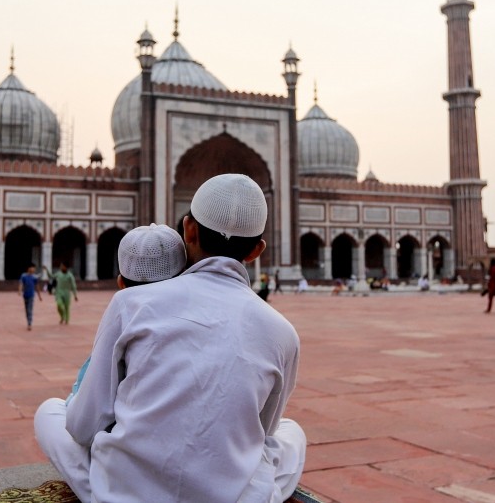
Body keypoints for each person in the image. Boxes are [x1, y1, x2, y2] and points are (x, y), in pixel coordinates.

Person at [34, 173, 305, 503]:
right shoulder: (282, 331)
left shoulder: (130, 303)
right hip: (231, 496)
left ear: (188, 230)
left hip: (124, 494)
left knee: (50, 412)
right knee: (291, 434)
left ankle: (102, 490)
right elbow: (263, 431)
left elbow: (82, 426)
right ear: (257, 250)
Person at [41, 224, 188, 440]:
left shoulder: (125, 307)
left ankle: (95, 473)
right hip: (206, 450)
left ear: (121, 283)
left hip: (138, 450)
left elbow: (83, 427)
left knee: (50, 411)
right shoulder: (219, 310)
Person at [19, 263, 44, 330]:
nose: (34, 269)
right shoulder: (23, 276)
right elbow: (21, 283)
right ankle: (28, 321)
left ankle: (29, 323)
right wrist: (20, 291)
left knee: (30, 309)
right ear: (29, 268)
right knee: (27, 310)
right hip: (25, 295)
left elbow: (37, 286)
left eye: (34, 268)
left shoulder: (34, 277)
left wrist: (39, 296)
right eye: (33, 268)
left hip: (31, 295)